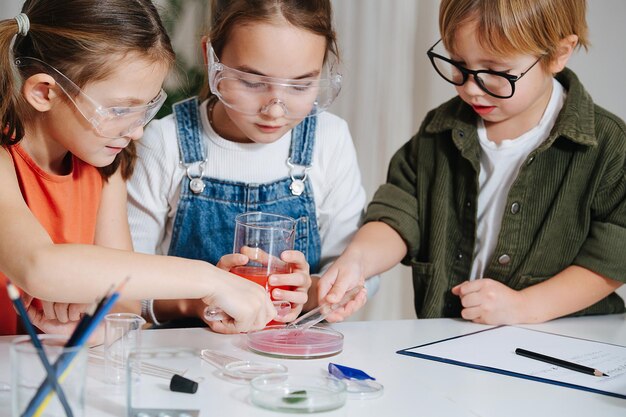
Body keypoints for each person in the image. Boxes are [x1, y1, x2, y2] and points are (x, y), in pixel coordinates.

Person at [319, 0, 626, 324]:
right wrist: (358, 260)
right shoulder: (438, 133)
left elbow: (614, 256)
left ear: (559, 53)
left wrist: (525, 306)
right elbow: (398, 215)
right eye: (459, 64)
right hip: (454, 343)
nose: (470, 88)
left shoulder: (608, 146)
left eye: (496, 72)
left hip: (564, 348)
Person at [0, 0, 277, 337]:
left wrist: (75, 330)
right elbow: (38, 267)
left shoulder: (106, 164)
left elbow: (125, 311)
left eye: (146, 108)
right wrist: (209, 279)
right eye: (119, 110)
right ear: (45, 92)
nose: (137, 131)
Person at [127, 0, 374, 329]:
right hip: (186, 360)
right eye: (253, 83)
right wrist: (201, 301)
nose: (275, 110)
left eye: (300, 85)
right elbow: (126, 286)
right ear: (211, 58)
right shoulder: (165, 142)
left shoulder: (329, 140)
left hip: (288, 361)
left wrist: (311, 293)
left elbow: (358, 275)